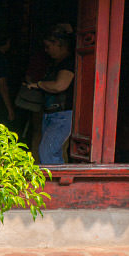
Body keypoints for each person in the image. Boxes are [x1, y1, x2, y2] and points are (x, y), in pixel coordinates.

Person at [25, 25, 75, 165]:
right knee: (49, 151)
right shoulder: (56, 63)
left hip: (62, 115)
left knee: (48, 152)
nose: (46, 51)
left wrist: (39, 84)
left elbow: (60, 85)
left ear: (58, 44)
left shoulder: (68, 63)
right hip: (53, 113)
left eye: (48, 46)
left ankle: (55, 186)